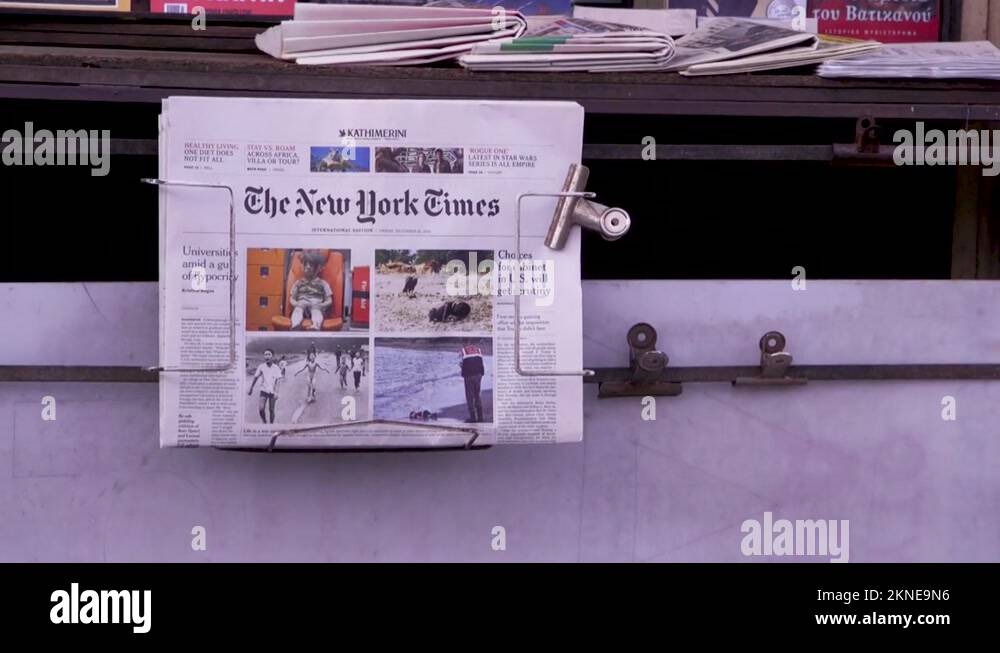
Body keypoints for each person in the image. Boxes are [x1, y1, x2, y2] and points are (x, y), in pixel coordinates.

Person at [289, 251, 333, 331]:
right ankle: (295, 325)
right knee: (297, 310)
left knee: (316, 312)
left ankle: (315, 326)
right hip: (301, 305)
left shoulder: (323, 284)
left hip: (316, 305)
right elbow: (292, 298)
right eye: (306, 264)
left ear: (317, 268)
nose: (308, 267)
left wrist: (321, 305)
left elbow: (329, 300)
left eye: (311, 265)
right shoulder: (299, 283)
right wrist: (296, 304)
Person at [248, 348, 283, 423]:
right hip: (263, 390)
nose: (267, 356)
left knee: (271, 410)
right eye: (265, 354)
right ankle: (264, 421)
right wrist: (251, 388)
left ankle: (271, 425)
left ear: (272, 356)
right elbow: (255, 377)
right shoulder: (261, 366)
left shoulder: (276, 368)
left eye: (269, 354)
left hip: (272, 391)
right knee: (261, 409)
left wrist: (276, 392)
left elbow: (278, 381)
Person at [459, 341, 485, 423]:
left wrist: (463, 374)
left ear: (465, 343)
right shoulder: (478, 349)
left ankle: (473, 418)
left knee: (469, 396)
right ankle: (480, 417)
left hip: (469, 376)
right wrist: (482, 373)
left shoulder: (463, 350)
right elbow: (481, 363)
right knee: (477, 395)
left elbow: (463, 364)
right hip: (478, 375)